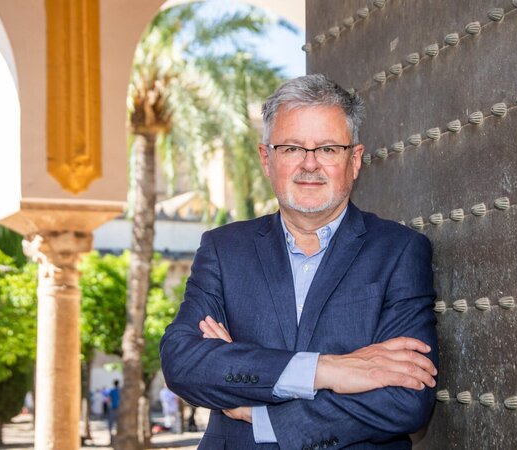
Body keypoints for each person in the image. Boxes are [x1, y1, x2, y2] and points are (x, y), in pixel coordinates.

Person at [160, 74, 438, 449]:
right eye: (291, 148)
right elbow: (185, 364)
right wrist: (328, 369)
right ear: (266, 158)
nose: (310, 164)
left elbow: (406, 398)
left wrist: (259, 413)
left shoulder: (399, 251)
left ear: (354, 160)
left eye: (327, 149)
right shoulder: (224, 250)